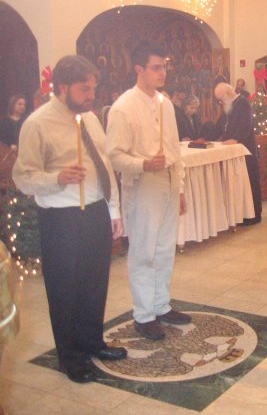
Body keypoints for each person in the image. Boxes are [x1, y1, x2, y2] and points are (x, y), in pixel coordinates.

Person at [12, 55, 126, 383]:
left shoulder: (90, 118)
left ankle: (92, 342)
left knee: (94, 284)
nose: (91, 95)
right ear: (62, 87)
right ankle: (70, 357)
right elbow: (23, 177)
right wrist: (57, 178)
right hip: (60, 219)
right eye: (83, 89)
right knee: (65, 290)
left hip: (94, 214)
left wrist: (113, 210)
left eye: (93, 88)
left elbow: (104, 166)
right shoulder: (37, 123)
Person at [106, 41, 191, 341]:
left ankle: (161, 305)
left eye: (164, 66)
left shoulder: (165, 103)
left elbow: (174, 150)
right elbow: (114, 155)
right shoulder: (123, 107)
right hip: (142, 186)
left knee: (165, 248)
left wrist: (179, 188)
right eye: (156, 67)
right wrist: (143, 164)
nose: (162, 72)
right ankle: (144, 314)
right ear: (139, 69)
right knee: (144, 250)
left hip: (167, 183)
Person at [213, 82, 262, 225]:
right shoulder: (229, 106)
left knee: (250, 182)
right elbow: (219, 126)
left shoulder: (243, 104)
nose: (220, 102)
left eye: (221, 99)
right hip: (234, 152)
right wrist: (204, 138)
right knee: (239, 184)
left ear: (228, 94)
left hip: (246, 150)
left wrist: (235, 139)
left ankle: (254, 216)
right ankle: (242, 214)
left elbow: (246, 125)